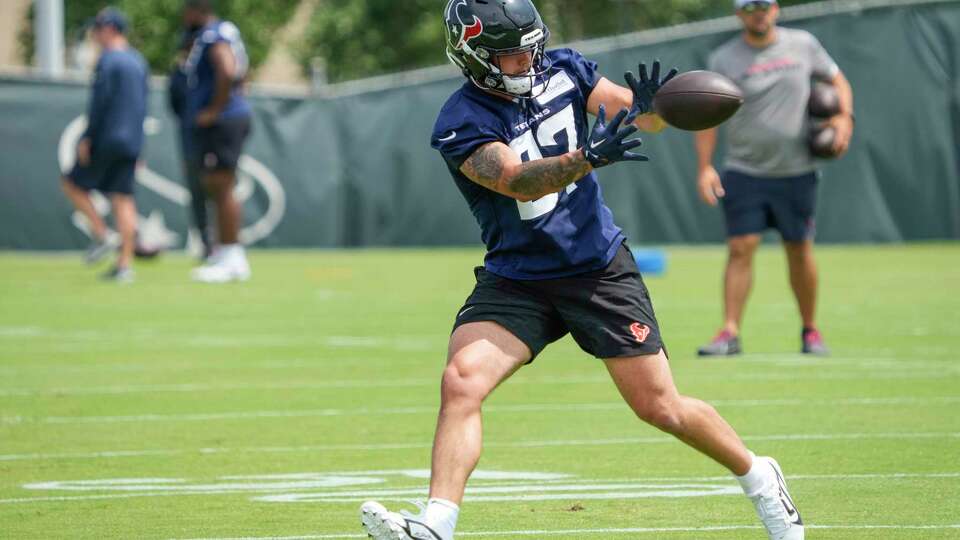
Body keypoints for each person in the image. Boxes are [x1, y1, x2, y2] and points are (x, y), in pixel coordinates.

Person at [359, 1, 803, 539]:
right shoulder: (461, 120)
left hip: (596, 267)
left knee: (660, 407)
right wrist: (587, 157)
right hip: (519, 276)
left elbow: (639, 117)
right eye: (513, 56)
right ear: (474, 57)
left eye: (531, 49)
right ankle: (436, 525)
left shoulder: (564, 68)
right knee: (462, 381)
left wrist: (653, 106)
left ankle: (760, 478)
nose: (529, 61)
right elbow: (517, 180)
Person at [694, 0, 854, 356]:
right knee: (740, 248)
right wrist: (705, 166)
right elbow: (708, 114)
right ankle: (730, 332)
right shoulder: (724, 59)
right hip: (745, 170)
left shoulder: (803, 44)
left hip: (796, 172)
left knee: (799, 250)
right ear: (739, 14)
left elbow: (837, 79)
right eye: (750, 7)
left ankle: (810, 331)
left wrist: (845, 117)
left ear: (776, 9)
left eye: (764, 5)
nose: (758, 12)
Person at [60, 7, 149, 283]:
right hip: (131, 141)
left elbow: (100, 104)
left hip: (108, 138)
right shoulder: (138, 62)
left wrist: (88, 137)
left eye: (97, 29)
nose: (94, 35)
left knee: (72, 183)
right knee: (123, 197)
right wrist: (139, 146)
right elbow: (142, 108)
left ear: (109, 29)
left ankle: (102, 234)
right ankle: (125, 266)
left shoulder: (109, 61)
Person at [181, 0, 253, 282]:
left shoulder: (213, 35)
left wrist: (215, 108)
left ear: (196, 10)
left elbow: (227, 68)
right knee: (217, 184)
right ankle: (226, 252)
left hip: (223, 120)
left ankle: (233, 256)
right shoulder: (225, 30)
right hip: (230, 117)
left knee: (222, 186)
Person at [168, 28, 213, 261]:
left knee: (217, 190)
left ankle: (225, 242)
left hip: (213, 139)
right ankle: (206, 243)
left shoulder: (209, 71)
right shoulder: (180, 74)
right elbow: (176, 107)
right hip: (191, 142)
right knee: (197, 193)